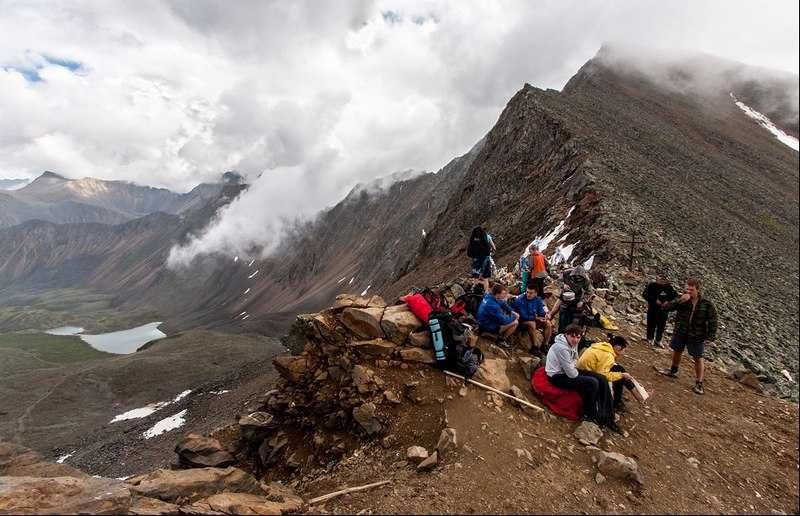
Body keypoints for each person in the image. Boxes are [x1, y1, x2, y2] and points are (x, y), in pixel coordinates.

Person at [657, 278, 718, 395]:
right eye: (687, 289)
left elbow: (713, 320)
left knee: (697, 357)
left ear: (698, 289)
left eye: (691, 290)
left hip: (697, 334)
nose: (689, 292)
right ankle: (673, 370)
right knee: (677, 350)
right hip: (681, 331)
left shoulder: (706, 304)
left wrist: (710, 337)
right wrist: (680, 300)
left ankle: (699, 383)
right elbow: (666, 308)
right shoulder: (683, 299)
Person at [545, 323, 602, 424]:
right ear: (566, 335)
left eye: (578, 337)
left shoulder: (572, 344)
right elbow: (572, 374)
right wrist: (575, 370)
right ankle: (588, 415)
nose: (575, 340)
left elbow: (576, 361)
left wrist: (573, 367)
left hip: (565, 371)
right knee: (592, 382)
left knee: (597, 378)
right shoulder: (561, 348)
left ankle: (598, 409)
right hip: (556, 376)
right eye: (572, 336)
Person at [577, 335, 636, 413]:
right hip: (586, 375)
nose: (623, 354)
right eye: (624, 351)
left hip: (582, 371)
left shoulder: (601, 346)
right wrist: (621, 375)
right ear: (618, 348)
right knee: (620, 374)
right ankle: (615, 403)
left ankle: (621, 400)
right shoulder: (608, 355)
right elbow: (602, 376)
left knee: (619, 369)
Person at [511, 283, 553, 357]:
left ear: (536, 293)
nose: (528, 294)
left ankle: (545, 345)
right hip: (519, 322)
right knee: (532, 323)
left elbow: (541, 312)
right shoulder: (520, 300)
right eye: (527, 292)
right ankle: (534, 347)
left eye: (531, 293)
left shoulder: (538, 299)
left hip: (532, 319)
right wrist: (537, 318)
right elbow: (523, 316)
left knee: (548, 323)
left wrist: (545, 315)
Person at [642, 274, 678, 347]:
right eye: (660, 278)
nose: (662, 280)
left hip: (663, 310)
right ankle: (650, 338)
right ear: (657, 278)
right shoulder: (652, 286)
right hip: (653, 308)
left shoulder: (669, 287)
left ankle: (658, 340)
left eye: (663, 279)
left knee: (661, 326)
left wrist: (667, 301)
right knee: (651, 324)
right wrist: (654, 300)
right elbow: (645, 295)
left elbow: (675, 296)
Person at [467, 226, 496, 292]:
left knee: (475, 276)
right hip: (486, 258)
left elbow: (469, 251)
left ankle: (474, 291)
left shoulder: (473, 238)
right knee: (485, 278)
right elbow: (494, 248)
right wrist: (490, 252)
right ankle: (486, 292)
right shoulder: (487, 236)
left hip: (476, 259)